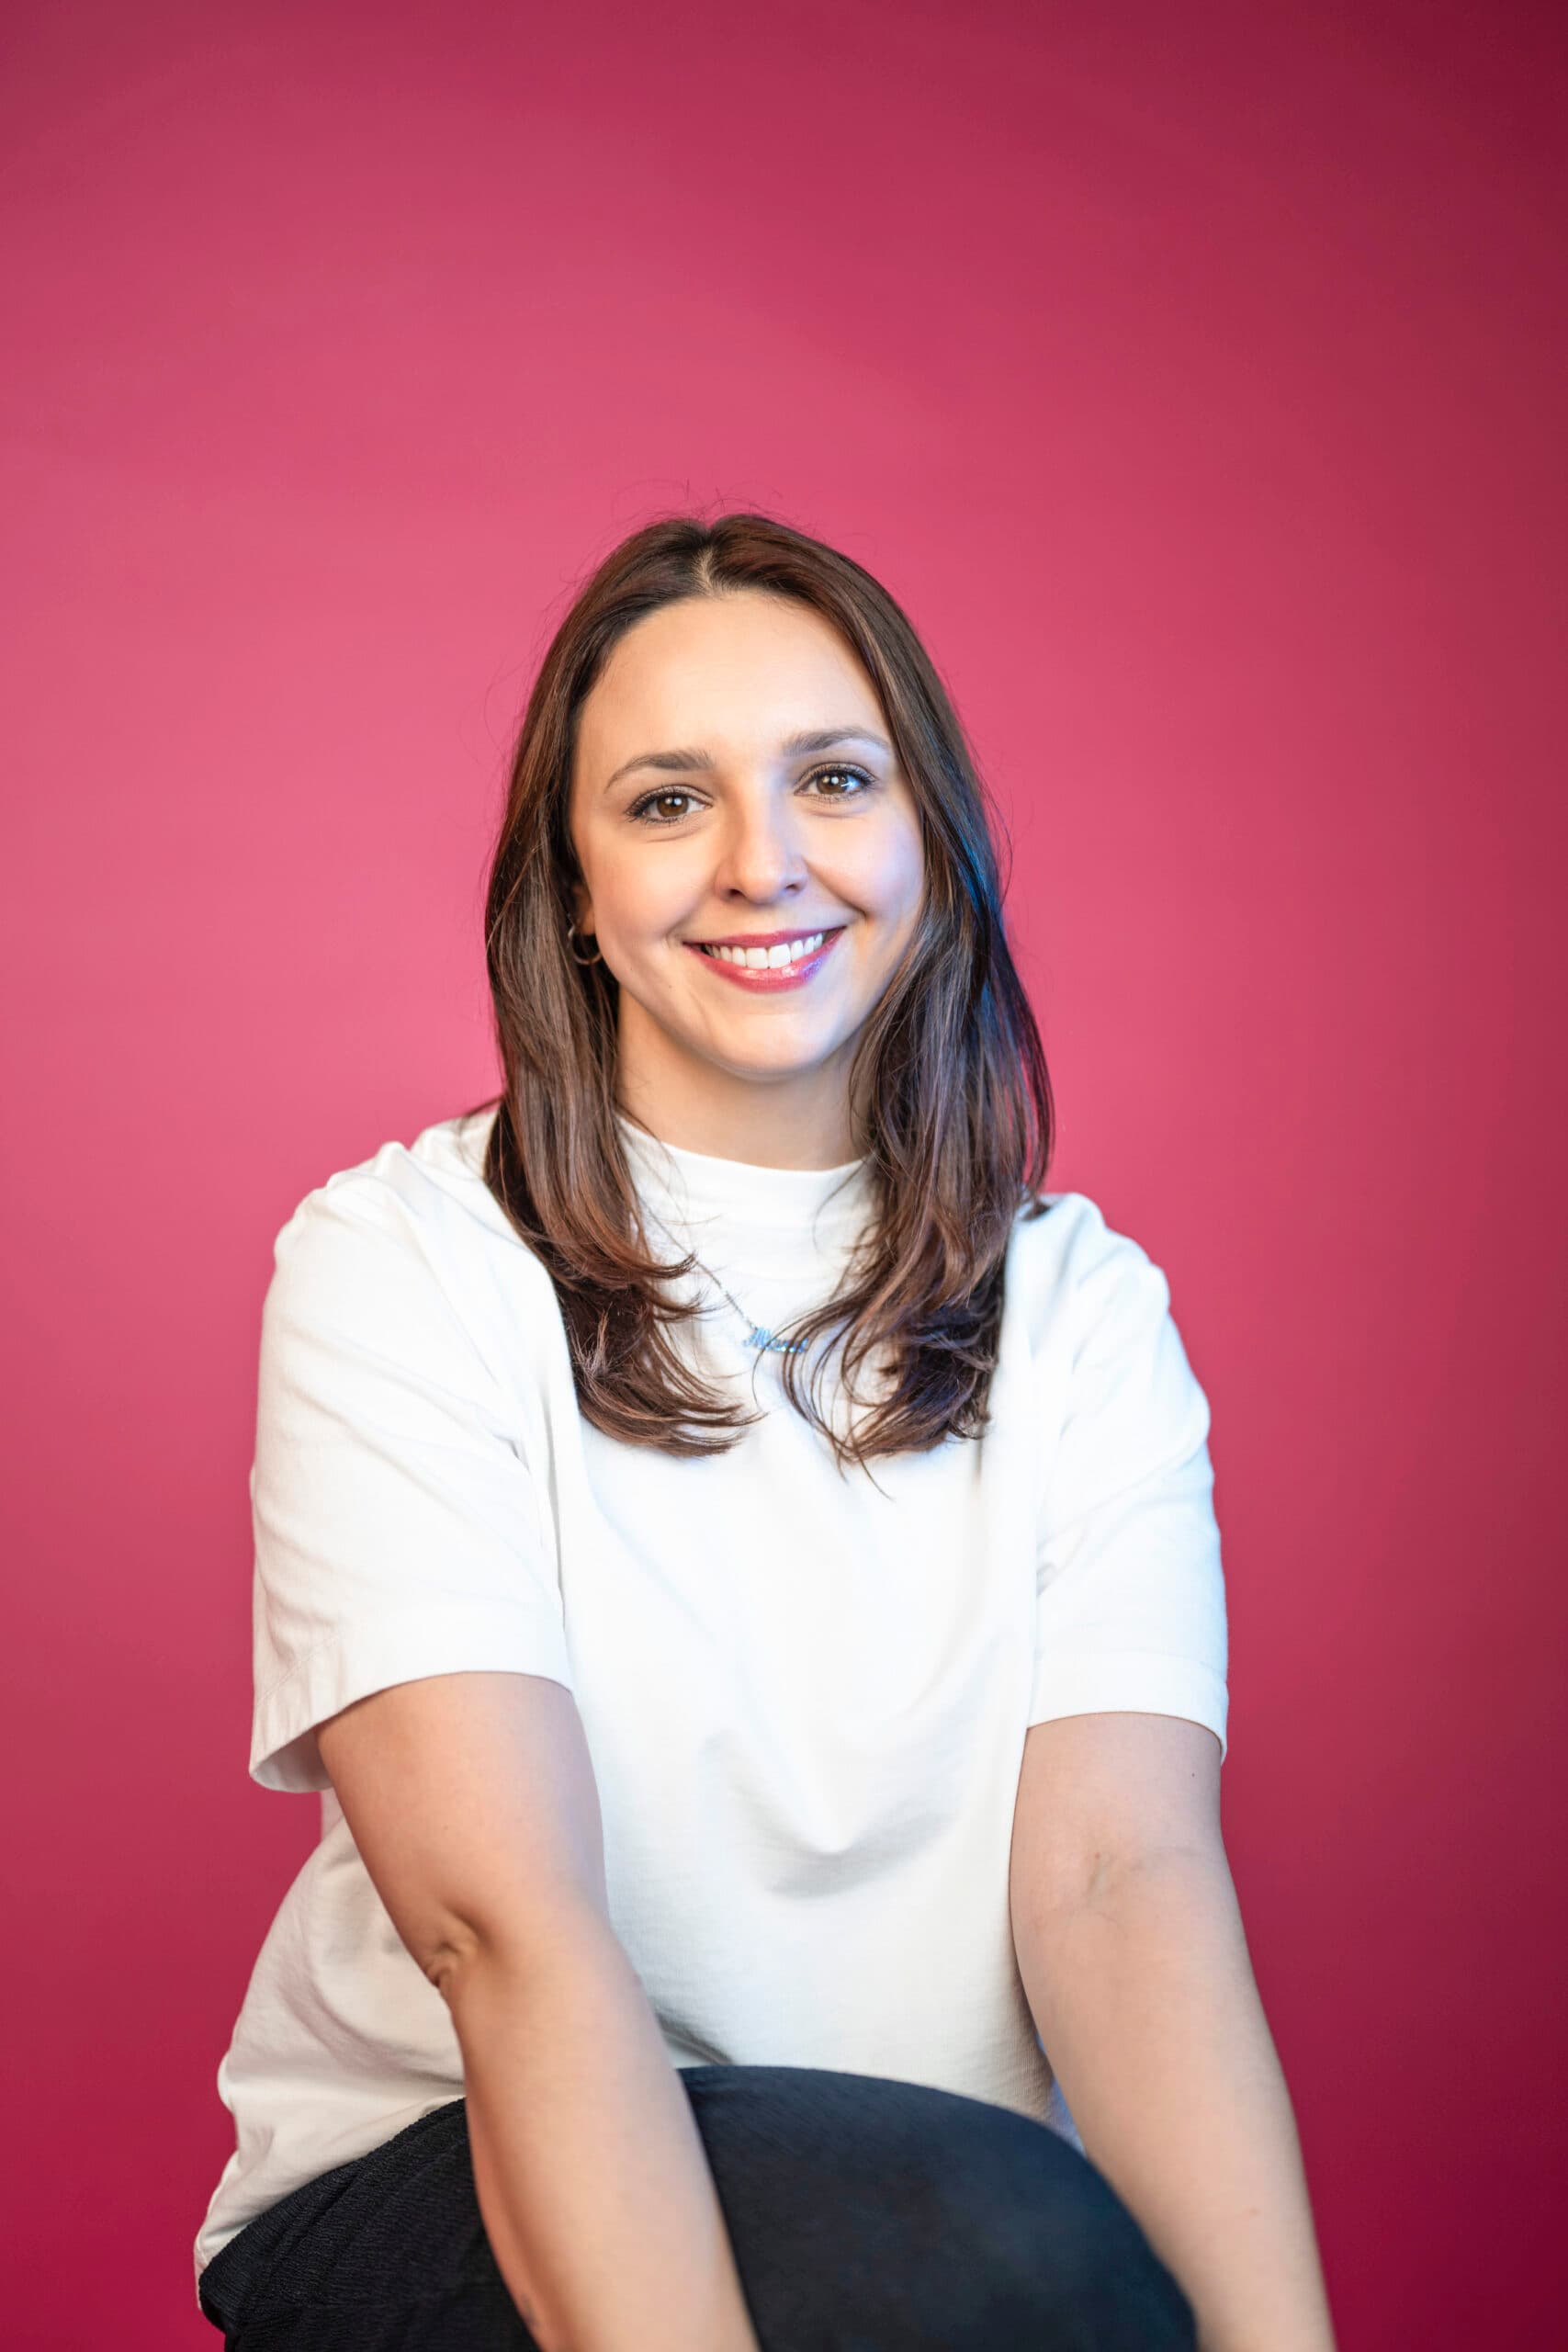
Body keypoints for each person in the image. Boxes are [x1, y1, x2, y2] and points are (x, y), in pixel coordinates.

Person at [194, 511, 1337, 2351]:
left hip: (937, 2216)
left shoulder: (1079, 1308)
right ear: (569, 885)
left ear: (925, 843)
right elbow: (501, 1920)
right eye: (663, 800)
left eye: (830, 777)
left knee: (1022, 2255)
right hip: (448, 2165)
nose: (762, 862)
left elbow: (1120, 1883)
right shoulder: (404, 1257)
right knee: (988, 2254)